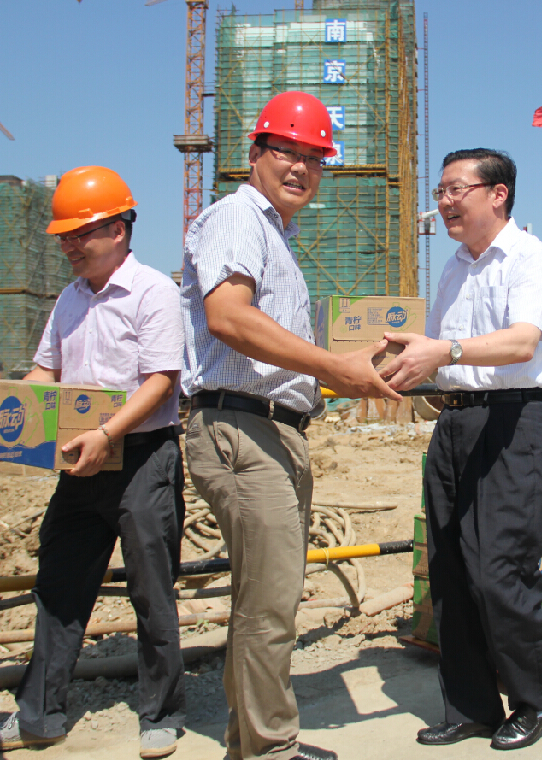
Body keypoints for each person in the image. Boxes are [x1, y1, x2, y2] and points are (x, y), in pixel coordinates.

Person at [181, 91, 396, 760]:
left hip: (271, 429)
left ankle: (251, 742)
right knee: (269, 603)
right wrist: (334, 367)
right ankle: (269, 749)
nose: (301, 167)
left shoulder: (274, 234)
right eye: (286, 151)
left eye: (314, 157)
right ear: (255, 154)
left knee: (268, 597)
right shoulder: (237, 218)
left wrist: (341, 374)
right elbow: (228, 317)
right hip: (242, 428)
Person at [0, 168, 188, 758]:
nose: (68, 245)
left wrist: (107, 433)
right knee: (59, 585)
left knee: (152, 589)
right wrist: (4, 423)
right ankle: (39, 715)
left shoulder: (152, 292)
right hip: (79, 462)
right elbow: (47, 371)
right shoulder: (69, 298)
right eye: (63, 235)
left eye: (79, 233)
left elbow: (161, 380)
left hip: (142, 459)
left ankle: (161, 713)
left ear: (117, 230)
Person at [379, 148, 542, 750]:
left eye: (456, 189)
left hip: (513, 419)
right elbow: (441, 352)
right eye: (440, 192)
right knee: (451, 569)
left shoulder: (533, 260)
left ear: (498, 194)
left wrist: (445, 351)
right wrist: (406, 357)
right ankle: (470, 706)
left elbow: (520, 344)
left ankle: (535, 696)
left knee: (500, 567)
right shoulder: (454, 268)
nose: (444, 202)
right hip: (456, 421)